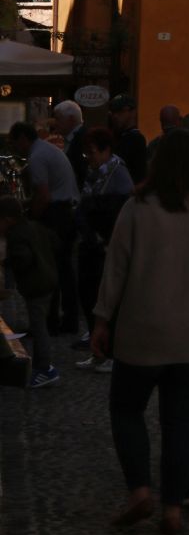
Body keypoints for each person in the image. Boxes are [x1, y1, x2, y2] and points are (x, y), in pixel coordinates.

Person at [91, 129, 189, 535]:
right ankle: (173, 508)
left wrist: (102, 319)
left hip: (144, 329)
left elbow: (115, 269)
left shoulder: (138, 207)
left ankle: (140, 490)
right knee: (180, 421)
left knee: (126, 409)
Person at [8, 119, 80, 335]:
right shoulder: (47, 150)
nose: (15, 148)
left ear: (23, 139)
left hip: (56, 214)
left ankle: (51, 321)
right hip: (67, 210)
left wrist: (31, 219)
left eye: (14, 143)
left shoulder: (37, 157)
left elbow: (44, 196)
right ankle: (68, 319)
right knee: (63, 268)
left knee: (49, 267)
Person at [75, 128, 134, 368]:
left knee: (104, 298)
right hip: (92, 242)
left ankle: (109, 353)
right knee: (89, 295)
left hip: (106, 245)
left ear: (106, 150)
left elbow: (120, 211)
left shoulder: (118, 174)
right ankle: (99, 351)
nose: (89, 158)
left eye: (92, 152)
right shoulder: (95, 172)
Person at [0, 194, 59, 387]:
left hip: (36, 286)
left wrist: (8, 262)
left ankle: (44, 368)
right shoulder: (34, 226)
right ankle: (42, 366)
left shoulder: (16, 235)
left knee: (38, 327)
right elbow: (54, 242)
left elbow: (23, 259)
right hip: (48, 281)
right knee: (40, 324)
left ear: (8, 219)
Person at [108, 95, 148, 185]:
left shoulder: (136, 139)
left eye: (119, 111)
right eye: (113, 112)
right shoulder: (115, 138)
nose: (115, 116)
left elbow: (139, 176)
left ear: (132, 112)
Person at [54, 100, 88, 191]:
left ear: (71, 119)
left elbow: (82, 172)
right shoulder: (71, 138)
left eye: (58, 119)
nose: (55, 123)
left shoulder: (83, 139)